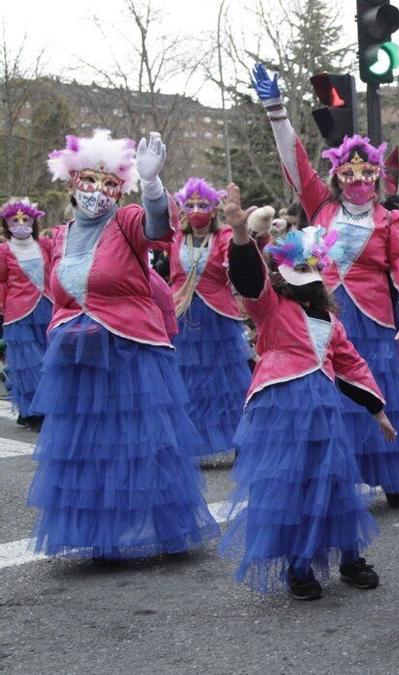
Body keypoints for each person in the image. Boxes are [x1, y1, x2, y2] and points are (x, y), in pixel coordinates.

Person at [253, 64, 399, 508]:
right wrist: (277, 112)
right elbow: (297, 166)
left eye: (367, 175)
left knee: (380, 388)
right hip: (322, 314)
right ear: (336, 177)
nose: (358, 182)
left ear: (378, 177)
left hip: (373, 319)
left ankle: (390, 473)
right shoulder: (319, 204)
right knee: (331, 391)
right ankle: (338, 474)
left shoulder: (390, 219)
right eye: (349, 175)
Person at [30, 128, 219, 559]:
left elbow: (158, 227)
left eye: (110, 183)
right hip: (78, 355)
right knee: (89, 447)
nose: (99, 191)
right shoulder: (59, 236)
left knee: (138, 443)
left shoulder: (126, 221)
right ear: (73, 181)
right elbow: (60, 293)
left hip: (130, 351)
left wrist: (152, 185)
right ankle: (103, 533)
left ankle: (158, 528)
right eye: (90, 181)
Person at [220, 200, 395, 599]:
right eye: (298, 267)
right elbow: (250, 282)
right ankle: (298, 565)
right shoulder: (271, 309)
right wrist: (243, 236)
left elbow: (352, 366)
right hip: (280, 413)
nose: (306, 273)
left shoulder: (332, 323)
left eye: (312, 266)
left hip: (324, 417)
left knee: (333, 483)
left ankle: (349, 558)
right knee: (289, 488)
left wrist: (377, 410)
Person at [164, 177, 252, 458]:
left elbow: (236, 257)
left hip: (218, 319)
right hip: (183, 316)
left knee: (226, 382)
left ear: (214, 209)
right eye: (190, 204)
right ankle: (188, 440)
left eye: (203, 204)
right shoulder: (176, 236)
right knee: (186, 380)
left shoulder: (223, 236)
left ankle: (239, 438)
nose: (196, 209)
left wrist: (240, 233)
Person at [0, 198, 53, 430]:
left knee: (48, 358)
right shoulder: (3, 251)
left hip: (47, 308)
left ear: (34, 221)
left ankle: (50, 404)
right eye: (14, 220)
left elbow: (54, 272)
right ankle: (32, 410)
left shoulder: (45, 245)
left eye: (25, 219)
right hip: (18, 313)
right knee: (27, 364)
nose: (20, 224)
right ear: (6, 224)